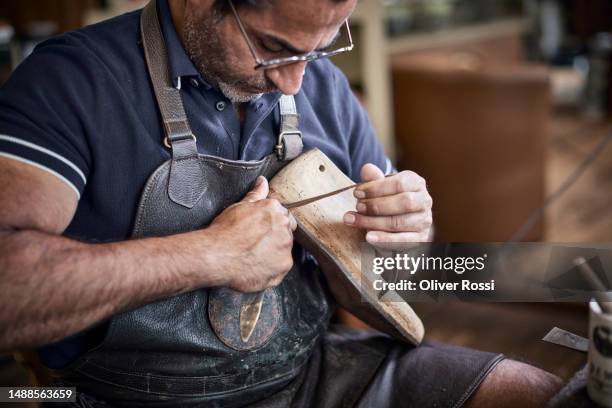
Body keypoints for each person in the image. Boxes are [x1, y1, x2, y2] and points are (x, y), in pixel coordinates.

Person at [0, 0, 562, 406]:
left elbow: (395, 282)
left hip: (308, 373)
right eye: (273, 48)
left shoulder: (323, 87)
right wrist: (208, 256)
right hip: (122, 395)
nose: (295, 83)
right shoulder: (73, 81)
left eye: (322, 48)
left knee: (536, 394)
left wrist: (400, 242)